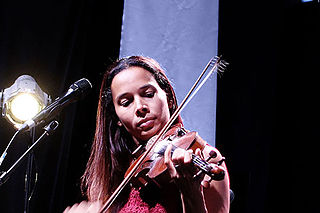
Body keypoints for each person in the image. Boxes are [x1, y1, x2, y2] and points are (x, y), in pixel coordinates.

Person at [64, 56, 230, 213]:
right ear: (117, 119)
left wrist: (191, 193)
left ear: (169, 98)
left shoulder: (206, 157)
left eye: (148, 94)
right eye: (126, 102)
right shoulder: (113, 176)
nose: (140, 107)